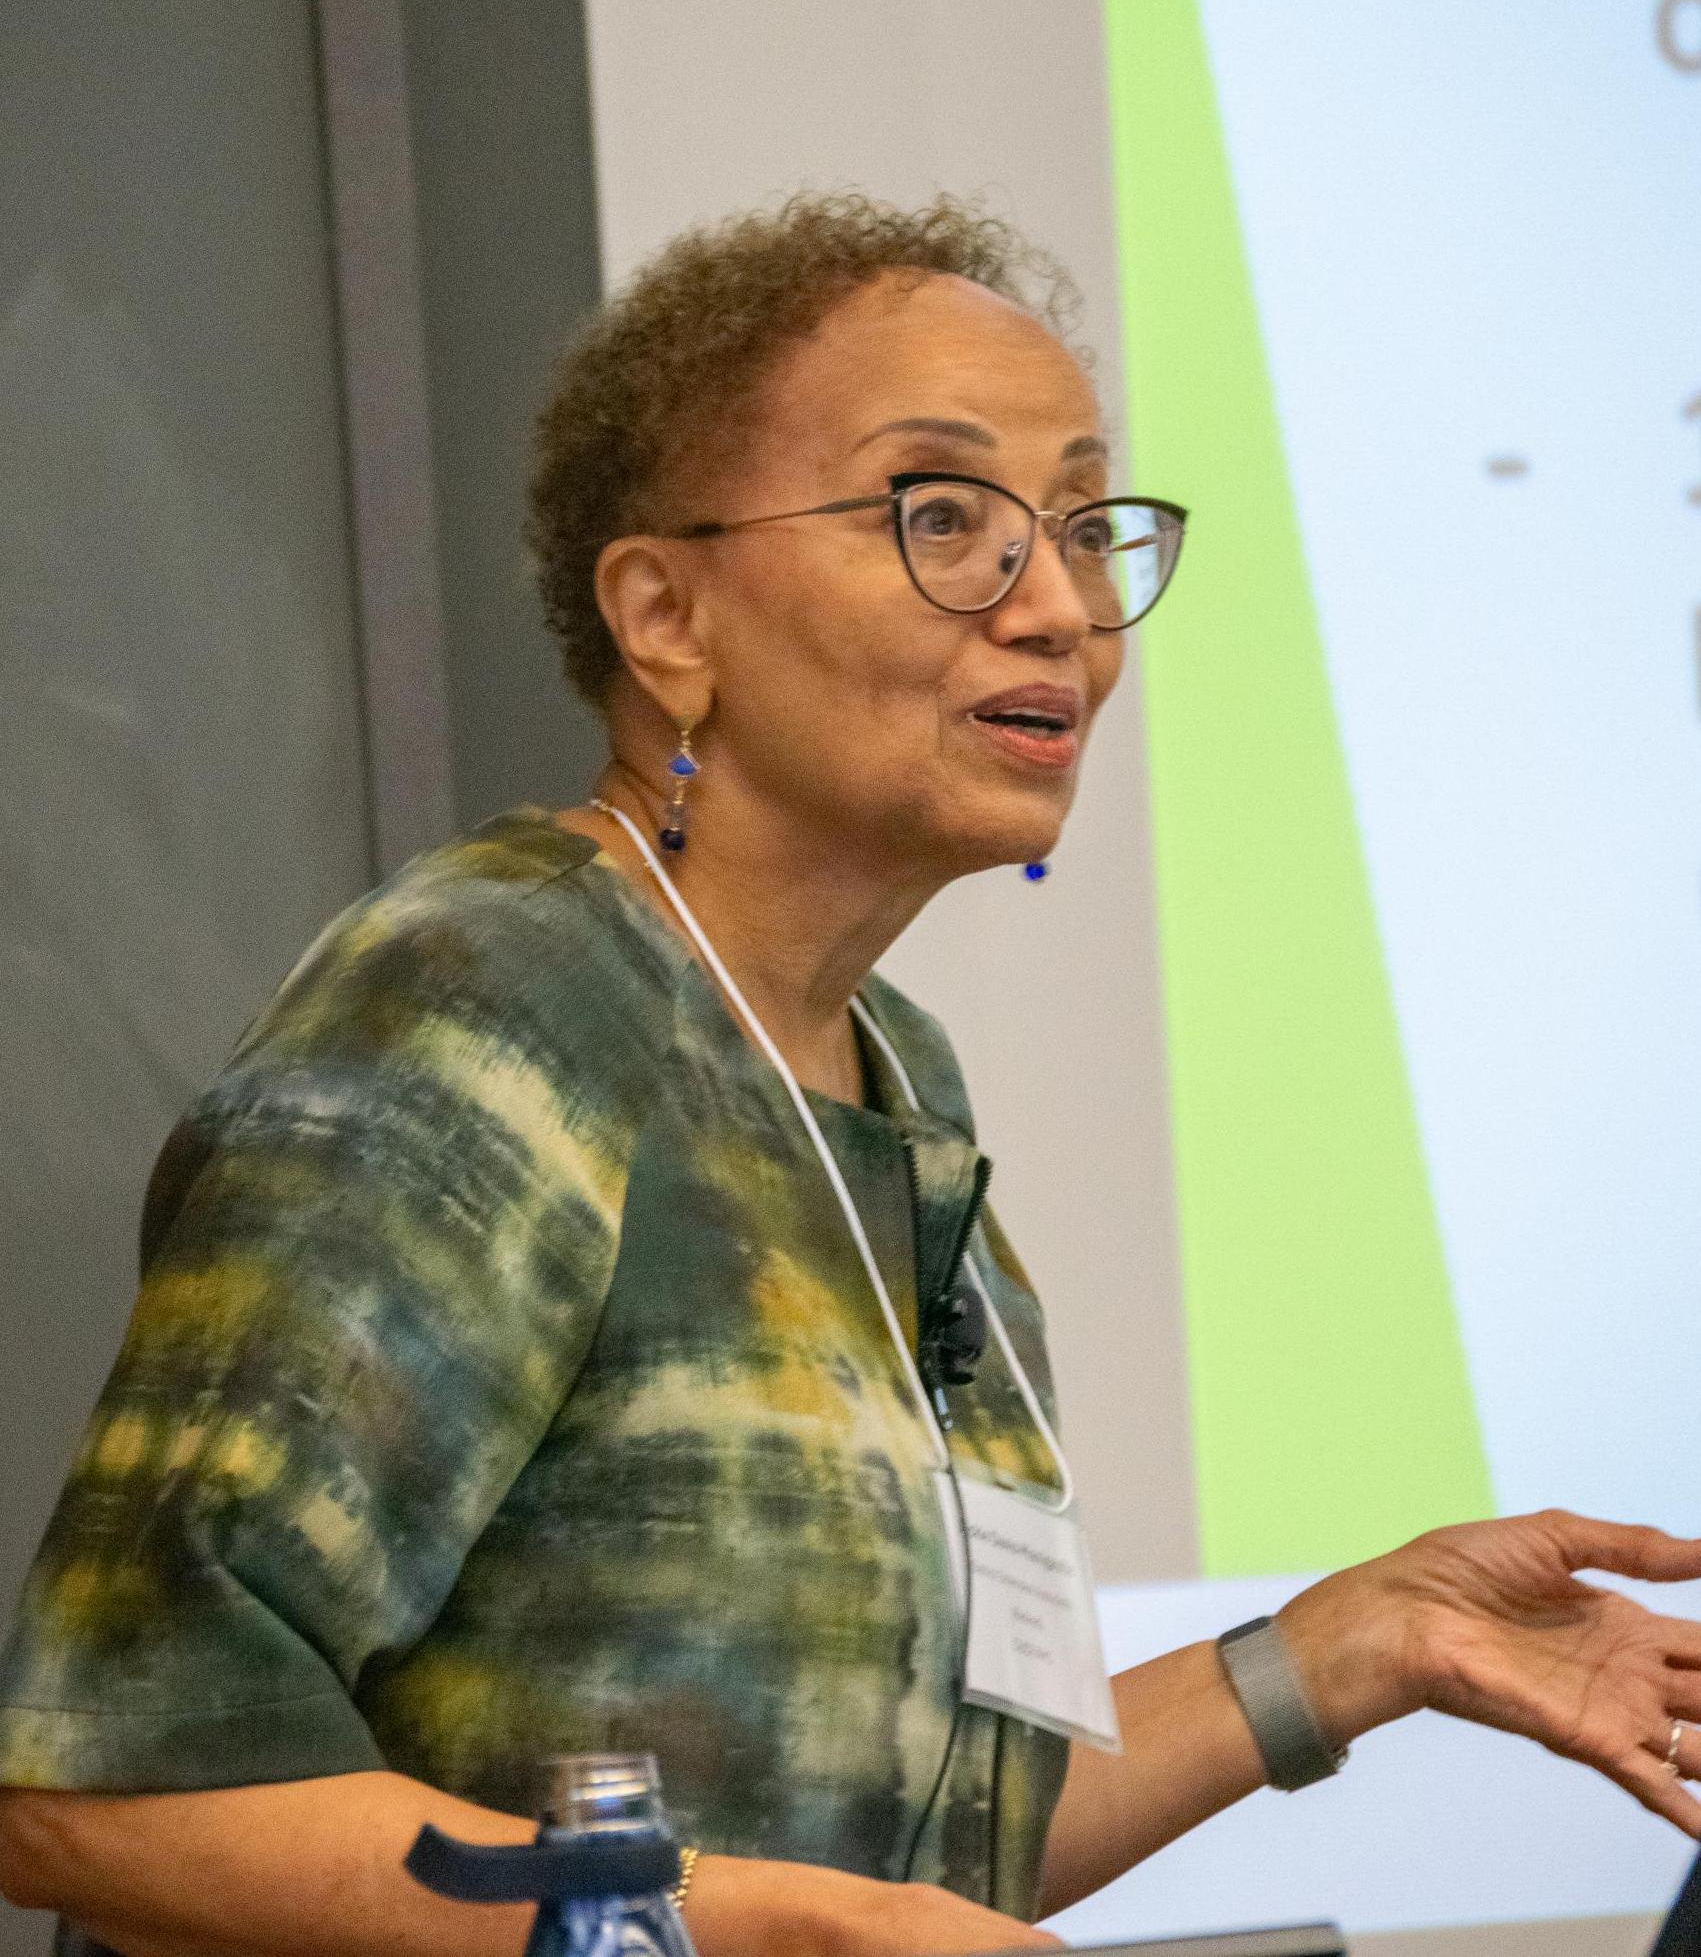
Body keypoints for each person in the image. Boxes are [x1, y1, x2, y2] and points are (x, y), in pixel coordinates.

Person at [1, 194, 1698, 1957]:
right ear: (667, 611)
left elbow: (900, 1855)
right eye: (944, 516)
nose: (1058, 609)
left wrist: (1357, 1645)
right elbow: (111, 1789)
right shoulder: (493, 1005)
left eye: (1080, 526)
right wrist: (783, 1933)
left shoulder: (892, 1071)